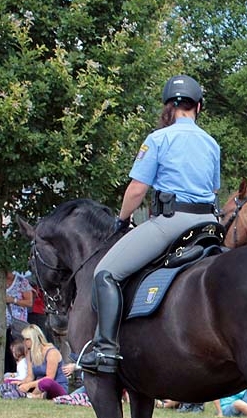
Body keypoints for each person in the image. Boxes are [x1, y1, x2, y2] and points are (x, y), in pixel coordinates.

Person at [78, 74, 220, 374]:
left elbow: (137, 190)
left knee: (106, 273)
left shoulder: (158, 139)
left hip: (172, 222)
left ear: (168, 107)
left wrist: (122, 218)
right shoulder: (211, 143)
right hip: (209, 223)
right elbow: (214, 189)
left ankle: (105, 350)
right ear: (199, 107)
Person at [17, 325, 68, 399]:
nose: (24, 342)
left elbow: (50, 378)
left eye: (27, 339)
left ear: (35, 339)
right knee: (10, 381)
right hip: (37, 385)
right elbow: (30, 376)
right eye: (24, 339)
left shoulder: (51, 352)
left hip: (55, 386)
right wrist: (21, 383)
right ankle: (34, 395)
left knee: (46, 382)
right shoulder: (29, 352)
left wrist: (28, 385)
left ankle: (34, 396)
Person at [4, 269, 33, 369]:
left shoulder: (22, 281)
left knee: (19, 349)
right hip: (2, 324)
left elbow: (29, 302)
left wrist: (13, 300)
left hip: (18, 323)